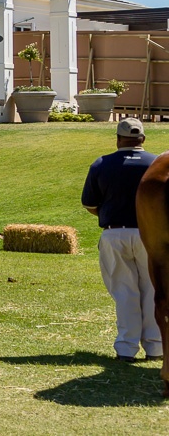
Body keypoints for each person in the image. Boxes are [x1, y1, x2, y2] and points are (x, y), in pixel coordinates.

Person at [82, 118, 162, 362]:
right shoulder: (156, 164)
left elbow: (90, 204)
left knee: (125, 291)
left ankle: (127, 348)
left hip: (114, 232)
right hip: (151, 234)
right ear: (143, 139)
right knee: (152, 290)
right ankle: (156, 347)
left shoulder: (101, 164)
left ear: (118, 139)